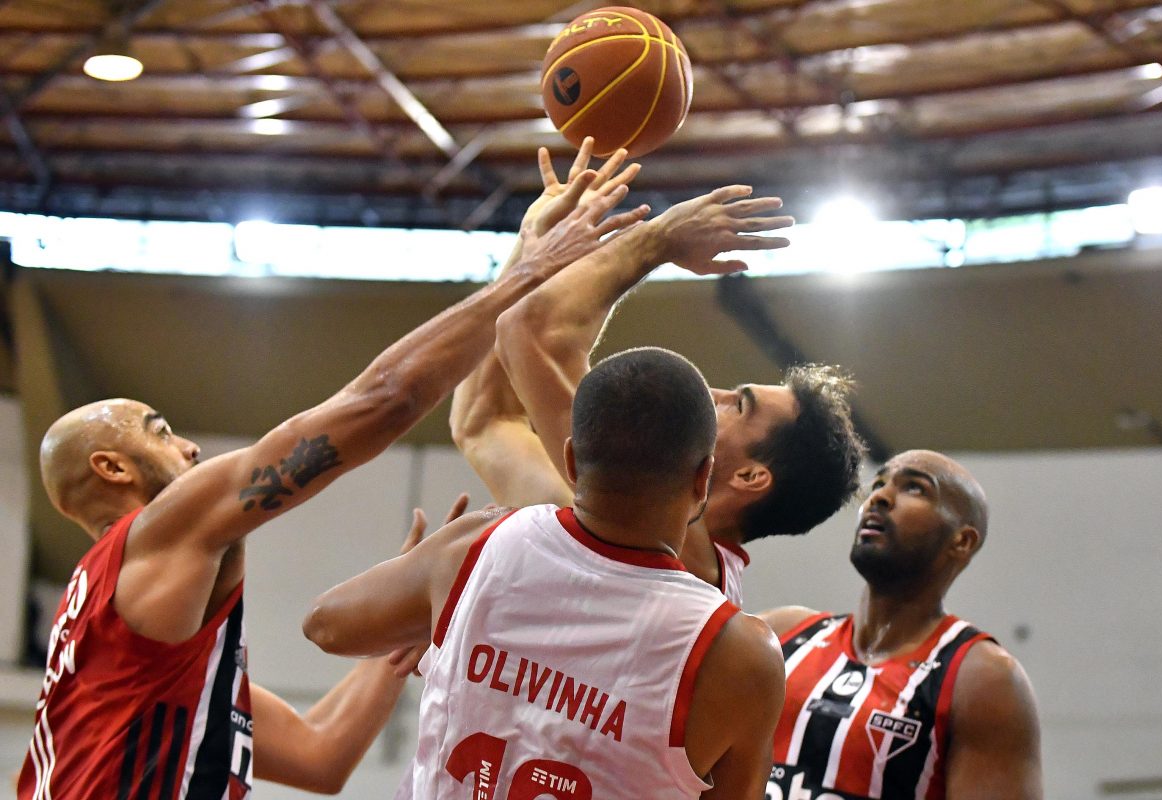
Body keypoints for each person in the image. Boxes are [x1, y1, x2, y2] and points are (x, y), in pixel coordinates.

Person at [17, 168, 644, 800]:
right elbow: (383, 401)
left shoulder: (127, 655)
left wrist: (412, 610)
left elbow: (321, 754)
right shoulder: (161, 530)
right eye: (161, 432)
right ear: (113, 468)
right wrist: (528, 272)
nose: (189, 447)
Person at [304, 347, 786, 799]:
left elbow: (325, 625)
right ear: (703, 478)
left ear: (571, 460)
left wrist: (426, 587)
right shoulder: (744, 656)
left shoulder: (476, 546)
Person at [452, 139, 866, 606]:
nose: (711, 392)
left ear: (751, 476)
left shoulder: (686, 565)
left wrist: (659, 239)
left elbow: (527, 331)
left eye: (738, 404)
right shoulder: (613, 522)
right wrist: (533, 253)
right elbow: (485, 421)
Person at [760, 450, 1043, 800]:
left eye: (915, 488)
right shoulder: (782, 634)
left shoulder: (983, 679)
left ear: (962, 540)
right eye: (879, 482)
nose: (879, 496)